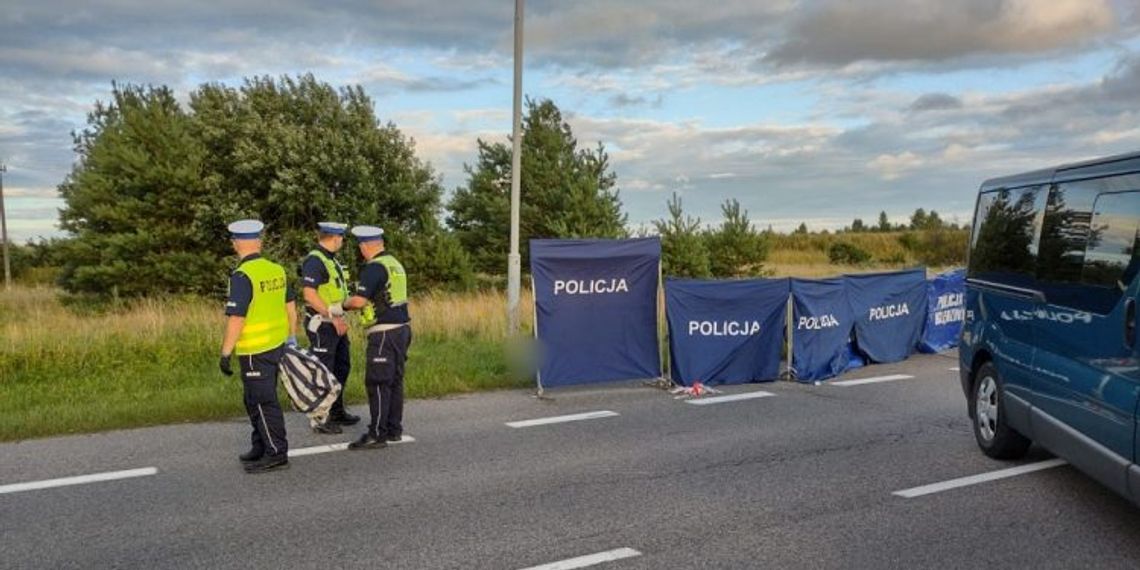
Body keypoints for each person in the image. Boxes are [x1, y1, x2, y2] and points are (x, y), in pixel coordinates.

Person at [219, 219, 298, 474]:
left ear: (235, 244)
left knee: (262, 401)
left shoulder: (242, 276)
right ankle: (261, 445)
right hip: (276, 344)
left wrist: (226, 352)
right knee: (254, 399)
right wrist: (291, 337)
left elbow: (237, 318)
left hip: (254, 350)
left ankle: (276, 452)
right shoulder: (276, 270)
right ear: (259, 241)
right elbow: (291, 308)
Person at [336, 225, 411, 450]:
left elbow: (359, 301)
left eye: (360, 247)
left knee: (378, 383)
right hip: (402, 329)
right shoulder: (395, 264)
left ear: (364, 246)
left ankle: (377, 433)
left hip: (384, 333)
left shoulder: (375, 267)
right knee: (394, 381)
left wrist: (340, 306)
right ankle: (393, 429)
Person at [298, 221, 359, 434]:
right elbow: (310, 295)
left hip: (335, 323)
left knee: (341, 367)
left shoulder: (330, 260)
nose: (342, 241)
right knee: (324, 371)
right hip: (323, 324)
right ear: (335, 238)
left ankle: (336, 411)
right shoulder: (315, 260)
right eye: (341, 237)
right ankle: (320, 418)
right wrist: (332, 317)